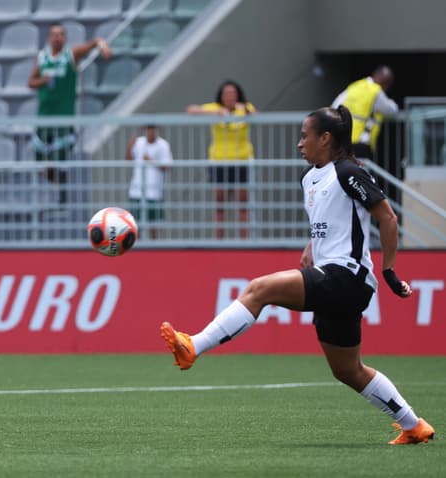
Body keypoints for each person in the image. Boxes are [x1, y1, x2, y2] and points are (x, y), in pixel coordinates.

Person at [159, 105, 435, 445]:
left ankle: (193, 346)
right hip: (333, 275)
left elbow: (387, 217)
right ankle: (413, 426)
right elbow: (333, 219)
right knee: (348, 370)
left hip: (347, 276)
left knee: (258, 289)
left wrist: (389, 270)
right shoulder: (310, 177)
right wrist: (312, 245)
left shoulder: (348, 171)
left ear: (326, 138)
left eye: (305, 136)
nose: (299, 144)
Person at [28, 23, 111, 203]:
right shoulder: (42, 58)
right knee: (42, 159)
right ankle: (54, 191)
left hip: (64, 118)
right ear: (49, 38)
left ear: (65, 38)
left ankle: (63, 200)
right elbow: (31, 82)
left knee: (62, 159)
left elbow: (90, 45)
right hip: (44, 118)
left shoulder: (70, 55)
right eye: (53, 34)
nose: (57, 38)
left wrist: (100, 43)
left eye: (60, 35)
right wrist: (43, 80)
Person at [187, 80, 257, 239]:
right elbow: (191, 110)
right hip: (218, 161)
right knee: (220, 205)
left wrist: (244, 109)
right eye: (226, 94)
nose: (229, 96)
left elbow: (256, 115)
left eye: (233, 93)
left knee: (243, 205)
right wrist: (216, 113)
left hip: (241, 161)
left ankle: (244, 241)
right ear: (221, 95)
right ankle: (219, 240)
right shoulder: (215, 108)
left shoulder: (245, 107)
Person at [331, 65, 401, 206]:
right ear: (386, 83)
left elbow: (334, 106)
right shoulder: (375, 91)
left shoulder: (355, 86)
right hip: (361, 143)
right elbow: (391, 110)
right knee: (360, 182)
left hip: (343, 141)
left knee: (344, 179)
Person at [125, 125, 173, 239]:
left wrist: (151, 161)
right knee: (135, 222)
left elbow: (167, 166)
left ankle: (154, 247)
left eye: (153, 130)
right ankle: (136, 247)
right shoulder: (139, 142)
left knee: (154, 223)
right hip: (136, 189)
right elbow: (127, 160)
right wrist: (129, 147)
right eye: (148, 130)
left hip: (154, 191)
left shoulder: (163, 145)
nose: (151, 133)